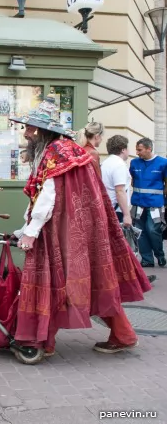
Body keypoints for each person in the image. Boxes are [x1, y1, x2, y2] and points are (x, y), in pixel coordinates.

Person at [12, 109, 151, 357]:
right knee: (92, 280)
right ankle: (122, 334)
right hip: (78, 227)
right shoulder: (65, 150)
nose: (27, 133)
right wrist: (26, 226)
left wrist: (30, 231)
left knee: (52, 281)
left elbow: (48, 195)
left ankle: (44, 341)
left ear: (44, 131)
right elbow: (44, 195)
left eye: (31, 128)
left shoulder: (57, 152)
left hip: (61, 229)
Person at [101, 135, 156, 283]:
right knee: (124, 246)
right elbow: (120, 191)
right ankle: (136, 279)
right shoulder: (119, 165)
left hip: (109, 210)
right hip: (116, 211)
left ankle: (135, 277)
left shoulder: (105, 163)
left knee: (121, 247)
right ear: (123, 149)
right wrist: (127, 215)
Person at [129, 137, 167, 268]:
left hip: (155, 204)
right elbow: (133, 181)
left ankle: (160, 255)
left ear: (149, 149)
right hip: (138, 204)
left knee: (152, 230)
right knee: (140, 231)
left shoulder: (163, 163)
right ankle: (147, 259)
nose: (137, 152)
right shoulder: (134, 163)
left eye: (140, 150)